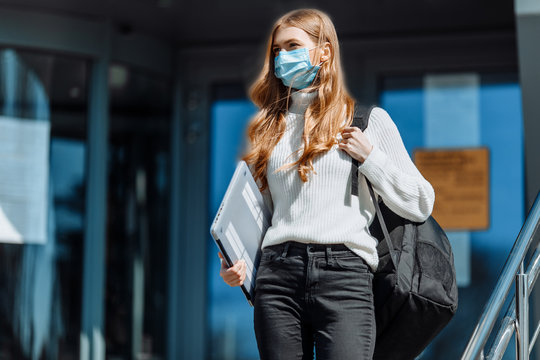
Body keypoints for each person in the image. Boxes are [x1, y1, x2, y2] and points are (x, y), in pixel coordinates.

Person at [219, 8, 435, 360]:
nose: (281, 57)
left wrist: (371, 159)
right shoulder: (268, 128)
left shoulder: (366, 121)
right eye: (277, 50)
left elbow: (421, 201)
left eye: (292, 45)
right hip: (277, 278)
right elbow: (261, 217)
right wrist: (236, 264)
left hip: (345, 276)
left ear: (324, 52)